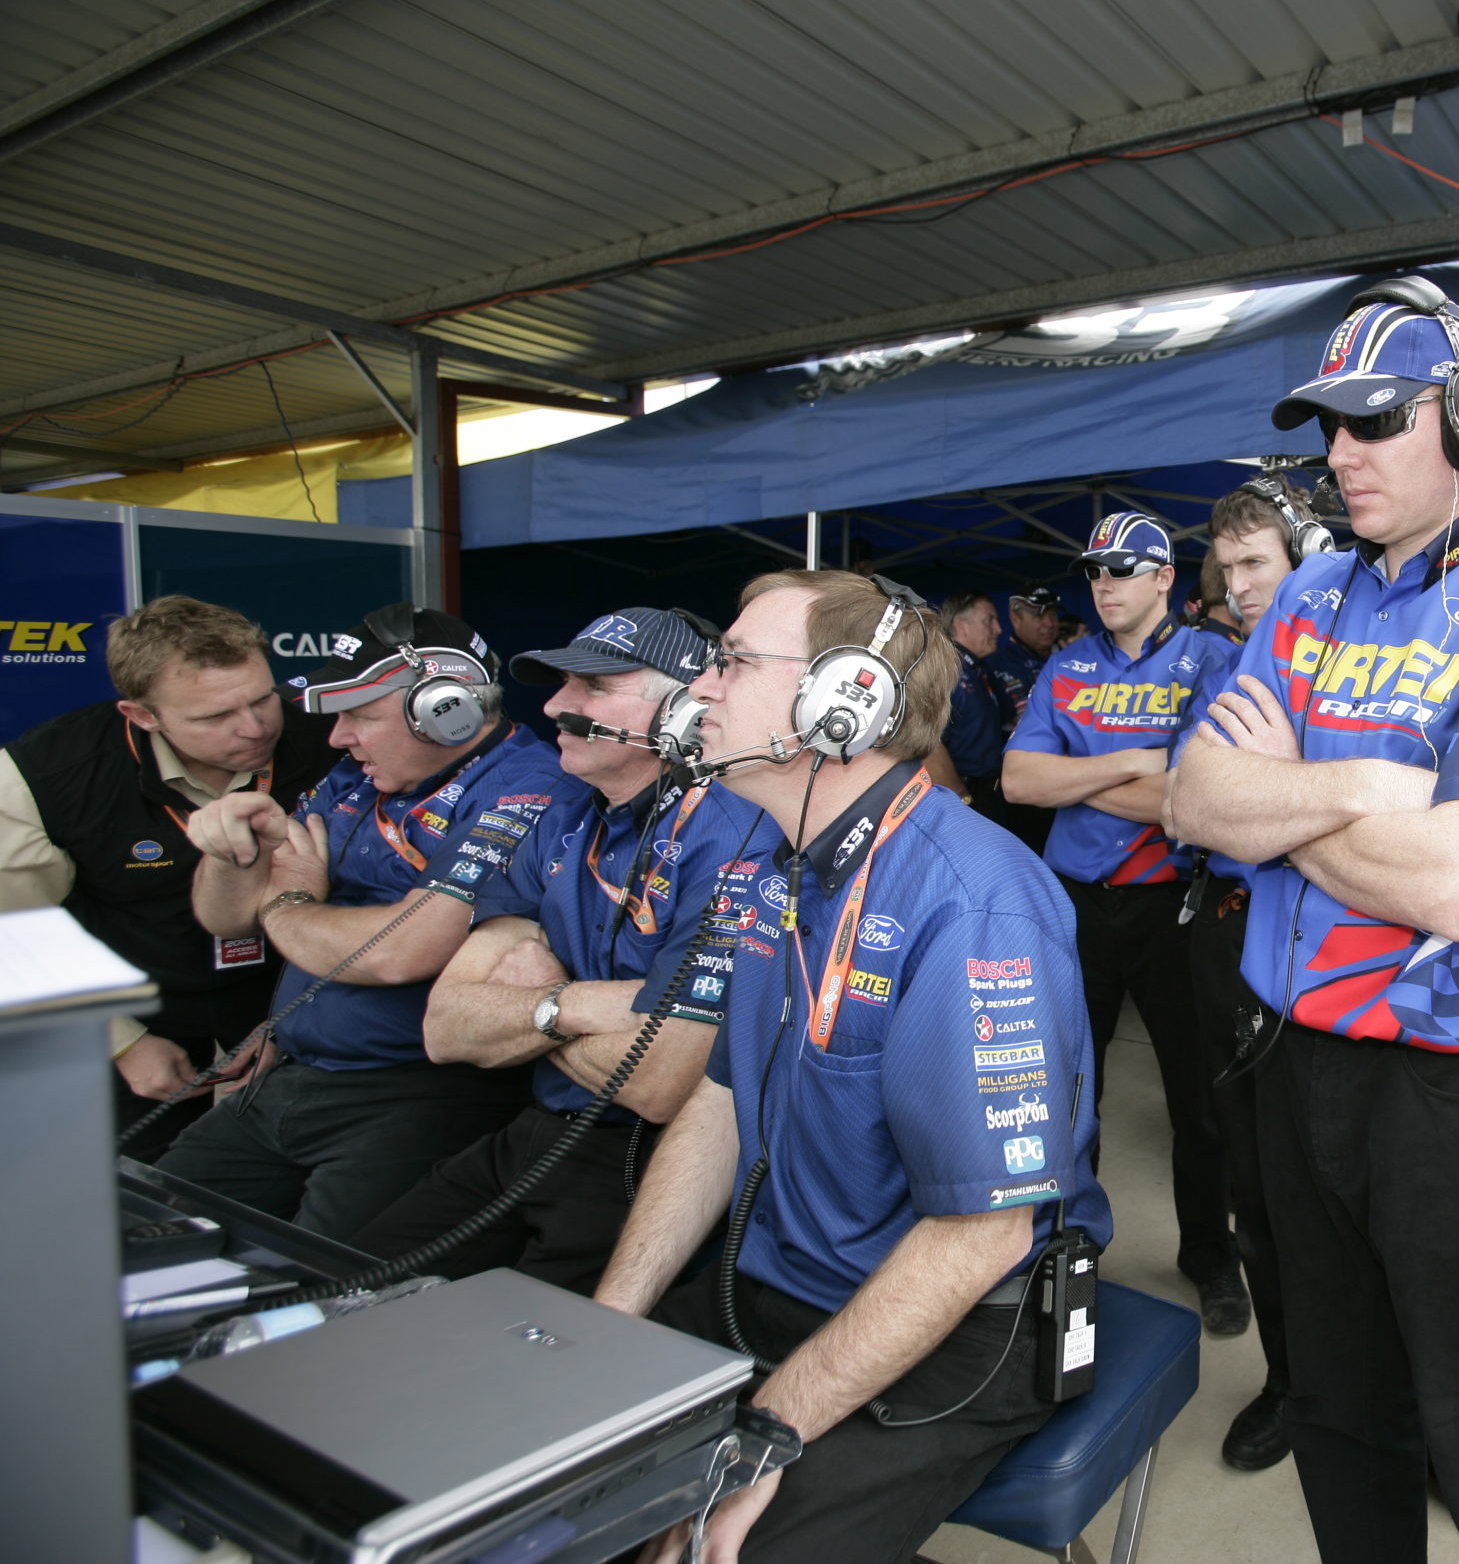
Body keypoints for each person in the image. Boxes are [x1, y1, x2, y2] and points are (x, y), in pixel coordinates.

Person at [1165, 280, 1459, 1564]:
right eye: (1329, 426)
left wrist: (1283, 798)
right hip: (1291, 1063)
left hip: (1457, 1097)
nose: (1341, 454)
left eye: (1376, 422)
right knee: (1339, 1411)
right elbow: (1194, 799)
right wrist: (1376, 790)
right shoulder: (1307, 594)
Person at [592, 570, 1109, 1564]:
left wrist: (766, 1433)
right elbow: (719, 1101)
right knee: (552, 1495)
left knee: (704, 1548)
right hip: (779, 1277)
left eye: (732, 661)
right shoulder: (766, 858)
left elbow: (980, 1238)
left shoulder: (975, 903)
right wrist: (614, 1321)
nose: (699, 687)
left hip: (963, 1320)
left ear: (845, 700)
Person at [352, 608, 774, 1294]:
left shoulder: (740, 835)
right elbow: (446, 1024)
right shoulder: (561, 809)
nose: (554, 706)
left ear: (686, 710)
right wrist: (579, 1007)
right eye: (562, 683)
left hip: (641, 1160)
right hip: (532, 1129)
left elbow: (659, 1082)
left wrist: (535, 1005)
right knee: (348, 1284)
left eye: (594, 687)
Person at [159, 604, 564, 1238]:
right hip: (289, 1078)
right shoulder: (357, 776)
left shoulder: (529, 786)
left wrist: (288, 903)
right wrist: (226, 851)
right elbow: (228, 918)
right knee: (142, 1231)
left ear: (446, 710)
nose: (337, 737)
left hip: (413, 1096)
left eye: (360, 716)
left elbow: (398, 952)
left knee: (325, 1278)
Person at [1001, 513, 1246, 1335]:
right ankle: (1067, 1245)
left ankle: (1209, 1253)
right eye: (1094, 571)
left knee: (1199, 1097)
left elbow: (1190, 797)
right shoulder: (1068, 663)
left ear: (1164, 578)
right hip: (1074, 903)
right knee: (1071, 1090)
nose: (1103, 584)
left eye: (1122, 569)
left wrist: (1077, 776)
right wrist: (1133, 763)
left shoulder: (1212, 657)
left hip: (1172, 905)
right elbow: (1018, 780)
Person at [0, 596, 335, 1158]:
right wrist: (121, 1043)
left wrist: (299, 1022)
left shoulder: (336, 736)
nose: (254, 727)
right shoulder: (45, 775)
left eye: (262, 698)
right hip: (138, 1022)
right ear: (142, 716)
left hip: (302, 1014)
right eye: (214, 717)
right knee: (136, 1195)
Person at [1173, 476, 1332, 1472]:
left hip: (1353, 953)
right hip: (1234, 940)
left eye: (1254, 562)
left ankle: (1402, 1405)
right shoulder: (1230, 676)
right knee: (1259, 1188)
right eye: (1224, 567)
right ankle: (1291, 1383)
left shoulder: (1372, 664)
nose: (1235, 585)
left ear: (1306, 559)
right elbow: (1194, 806)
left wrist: (1278, 797)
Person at [989, 587, 1061, 846]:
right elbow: (1025, 720)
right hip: (1025, 788)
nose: (1049, 623)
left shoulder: (1062, 658)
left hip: (1063, 782)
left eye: (1052, 614)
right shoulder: (1001, 663)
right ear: (1015, 618)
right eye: (1039, 616)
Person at [940, 591, 1013, 823]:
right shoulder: (943, 670)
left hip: (990, 793)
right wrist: (961, 799)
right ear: (962, 626)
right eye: (989, 621)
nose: (998, 629)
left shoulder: (981, 670)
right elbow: (927, 746)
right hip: (962, 797)